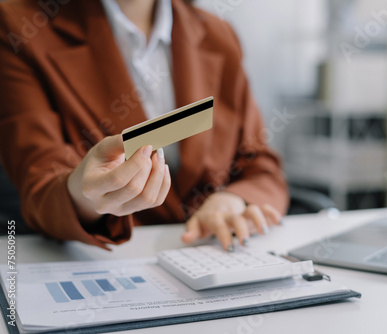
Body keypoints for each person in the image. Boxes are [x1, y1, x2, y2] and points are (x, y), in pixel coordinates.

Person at [0, 0, 288, 251]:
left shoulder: (218, 34)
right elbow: (39, 182)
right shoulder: (19, 24)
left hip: (210, 253)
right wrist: (84, 194)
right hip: (106, 264)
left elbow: (259, 163)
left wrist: (233, 199)